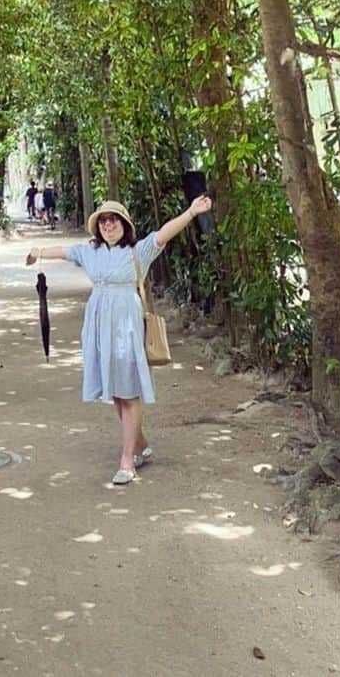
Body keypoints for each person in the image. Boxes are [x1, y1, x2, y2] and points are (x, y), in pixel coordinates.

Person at [26, 194, 211, 485]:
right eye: (103, 221)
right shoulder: (90, 251)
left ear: (124, 224)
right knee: (114, 390)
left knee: (128, 390)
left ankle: (127, 461)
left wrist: (190, 213)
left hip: (126, 325)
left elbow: (164, 233)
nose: (108, 225)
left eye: (113, 220)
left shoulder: (139, 251)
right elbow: (64, 251)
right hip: (99, 324)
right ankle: (139, 445)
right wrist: (37, 251)